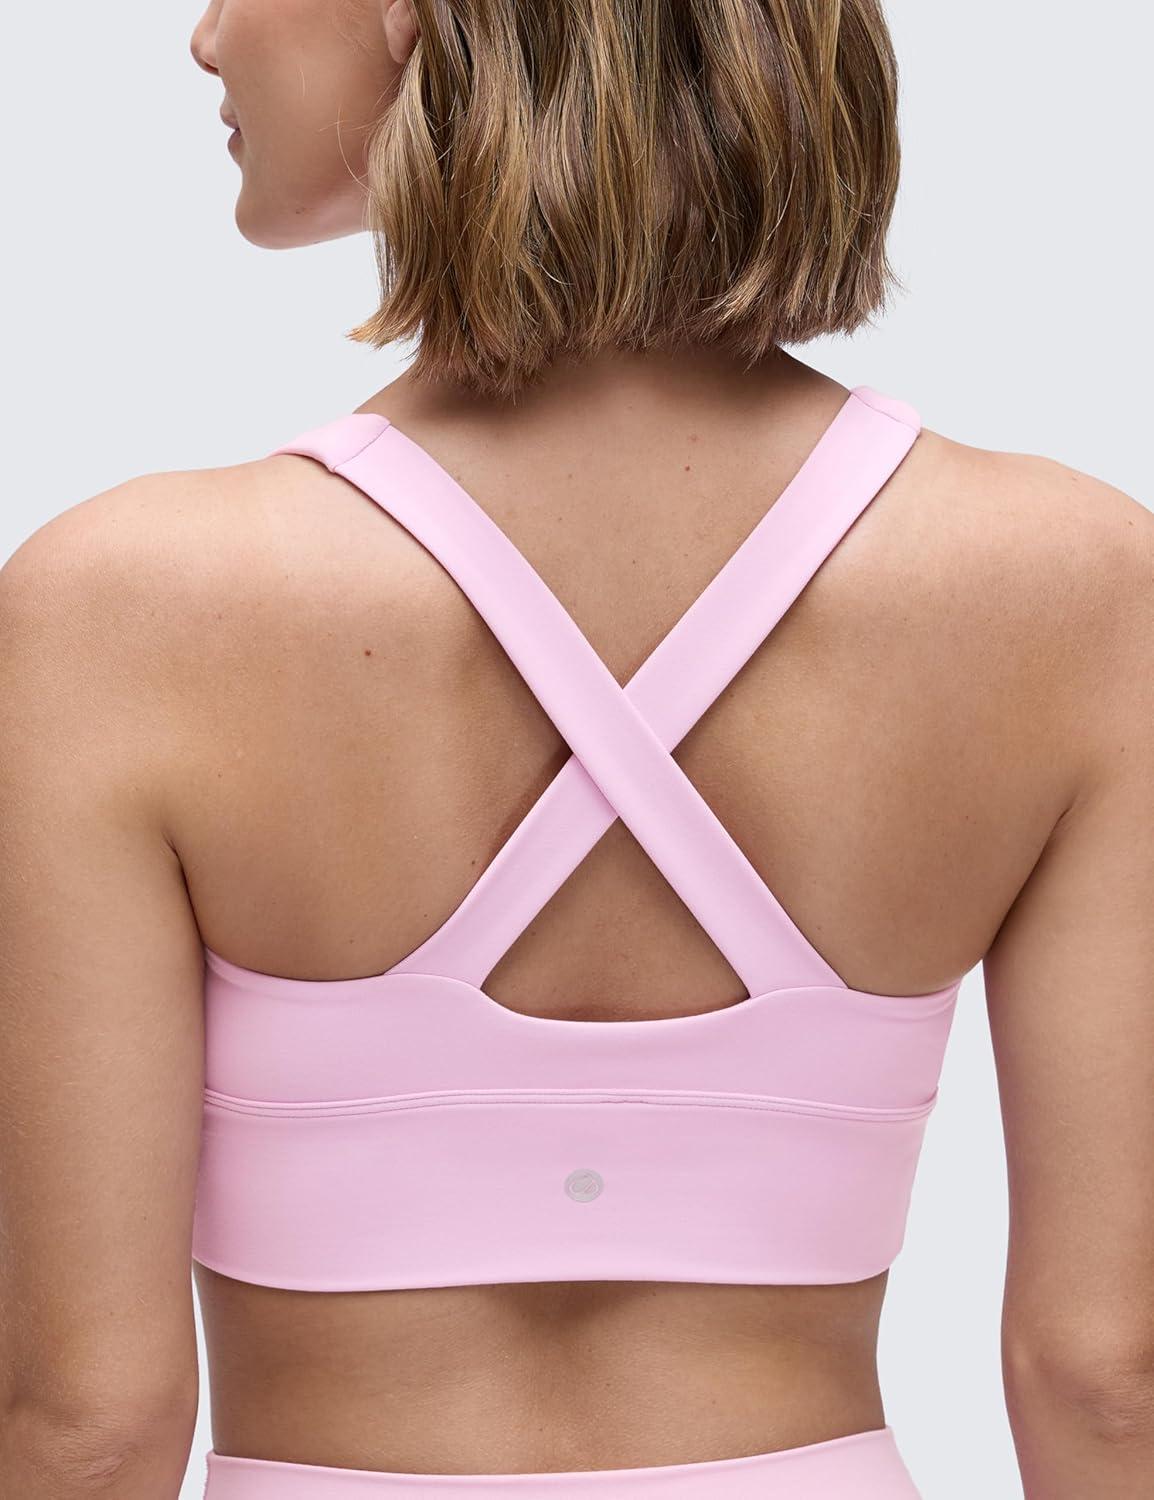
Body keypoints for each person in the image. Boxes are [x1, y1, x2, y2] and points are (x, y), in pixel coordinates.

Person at [1, 2, 1151, 1497]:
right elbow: (1107, 1376)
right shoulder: (1074, 587)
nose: (207, 37)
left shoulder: (122, 607)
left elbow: (88, 1417)